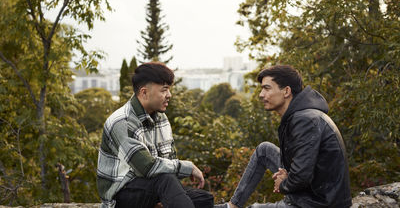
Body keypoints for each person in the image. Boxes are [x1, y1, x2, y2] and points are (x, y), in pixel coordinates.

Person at [215, 65, 351, 208]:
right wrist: (287, 174)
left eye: (267, 88)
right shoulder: (299, 115)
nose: (261, 94)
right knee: (264, 150)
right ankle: (232, 206)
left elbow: (301, 177)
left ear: (286, 91)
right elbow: (302, 165)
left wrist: (284, 183)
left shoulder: (305, 120)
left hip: (319, 203)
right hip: (312, 191)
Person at [97, 62, 214, 208]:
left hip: (151, 188)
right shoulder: (123, 122)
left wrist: (169, 197)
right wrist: (188, 167)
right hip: (121, 196)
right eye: (164, 90)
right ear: (144, 92)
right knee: (165, 180)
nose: (169, 95)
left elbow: (168, 161)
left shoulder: (161, 118)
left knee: (204, 199)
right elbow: (146, 167)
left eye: (169, 90)